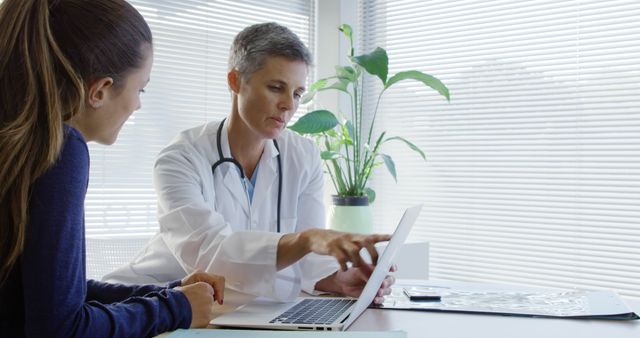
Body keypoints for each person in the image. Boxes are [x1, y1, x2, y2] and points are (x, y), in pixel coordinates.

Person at [104, 22, 396, 303]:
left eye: (297, 93)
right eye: (276, 87)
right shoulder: (181, 158)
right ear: (235, 81)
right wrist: (306, 240)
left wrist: (336, 280)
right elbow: (210, 255)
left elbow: (306, 264)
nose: (289, 105)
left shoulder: (302, 155)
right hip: (154, 302)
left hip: (245, 312)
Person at [0, 1, 225, 337]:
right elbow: (61, 329)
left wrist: (168, 295)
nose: (137, 104)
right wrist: (175, 309)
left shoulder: (20, 147)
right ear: (100, 90)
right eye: (140, 88)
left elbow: (48, 297)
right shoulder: (61, 151)